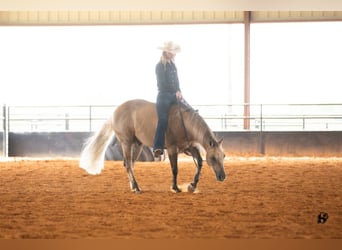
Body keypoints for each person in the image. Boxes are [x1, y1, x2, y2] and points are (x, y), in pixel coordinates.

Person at [153, 41, 192, 158]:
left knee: (189, 112)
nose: (174, 55)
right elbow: (162, 83)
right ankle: (157, 147)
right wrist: (174, 92)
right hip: (164, 95)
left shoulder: (173, 65)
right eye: (172, 53)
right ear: (166, 52)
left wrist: (179, 90)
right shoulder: (159, 66)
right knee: (163, 120)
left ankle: (188, 144)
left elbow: (176, 81)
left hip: (175, 95)